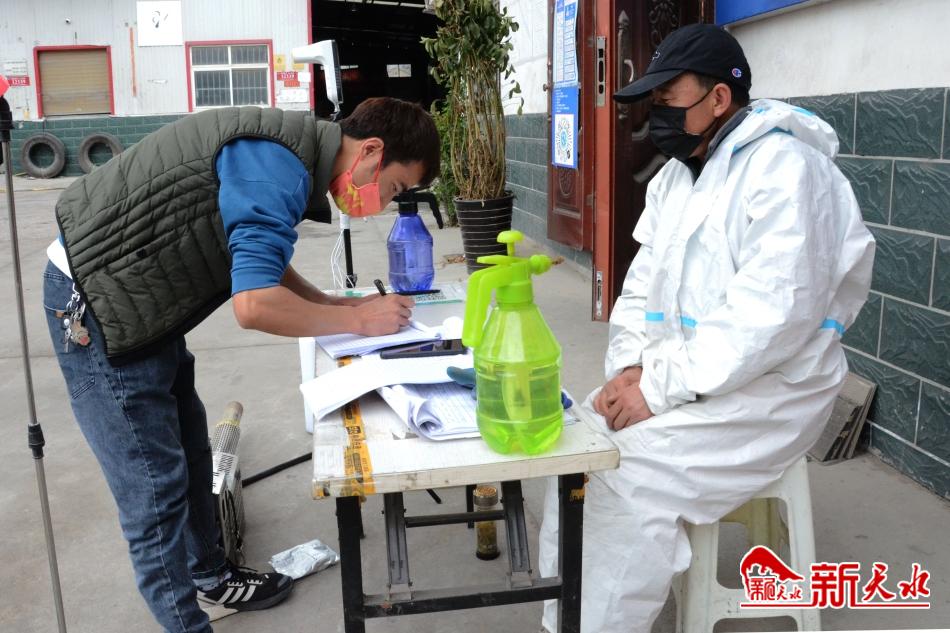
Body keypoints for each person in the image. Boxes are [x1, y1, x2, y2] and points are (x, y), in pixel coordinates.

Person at [43, 97, 439, 632]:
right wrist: (359, 322)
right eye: (392, 187)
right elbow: (254, 304)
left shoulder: (291, 152)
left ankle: (212, 575)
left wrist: (337, 307)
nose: (384, 202)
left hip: (141, 296)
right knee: (154, 494)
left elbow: (260, 263)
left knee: (191, 450)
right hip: (99, 305)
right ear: (371, 150)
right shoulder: (278, 164)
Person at [538, 24, 875, 633]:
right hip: (687, 376)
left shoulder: (787, 171)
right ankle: (567, 618)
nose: (656, 114)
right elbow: (639, 288)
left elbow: (771, 318)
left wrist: (657, 386)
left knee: (621, 473)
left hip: (772, 391)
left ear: (718, 98)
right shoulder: (676, 176)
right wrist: (630, 367)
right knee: (577, 443)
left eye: (668, 97)